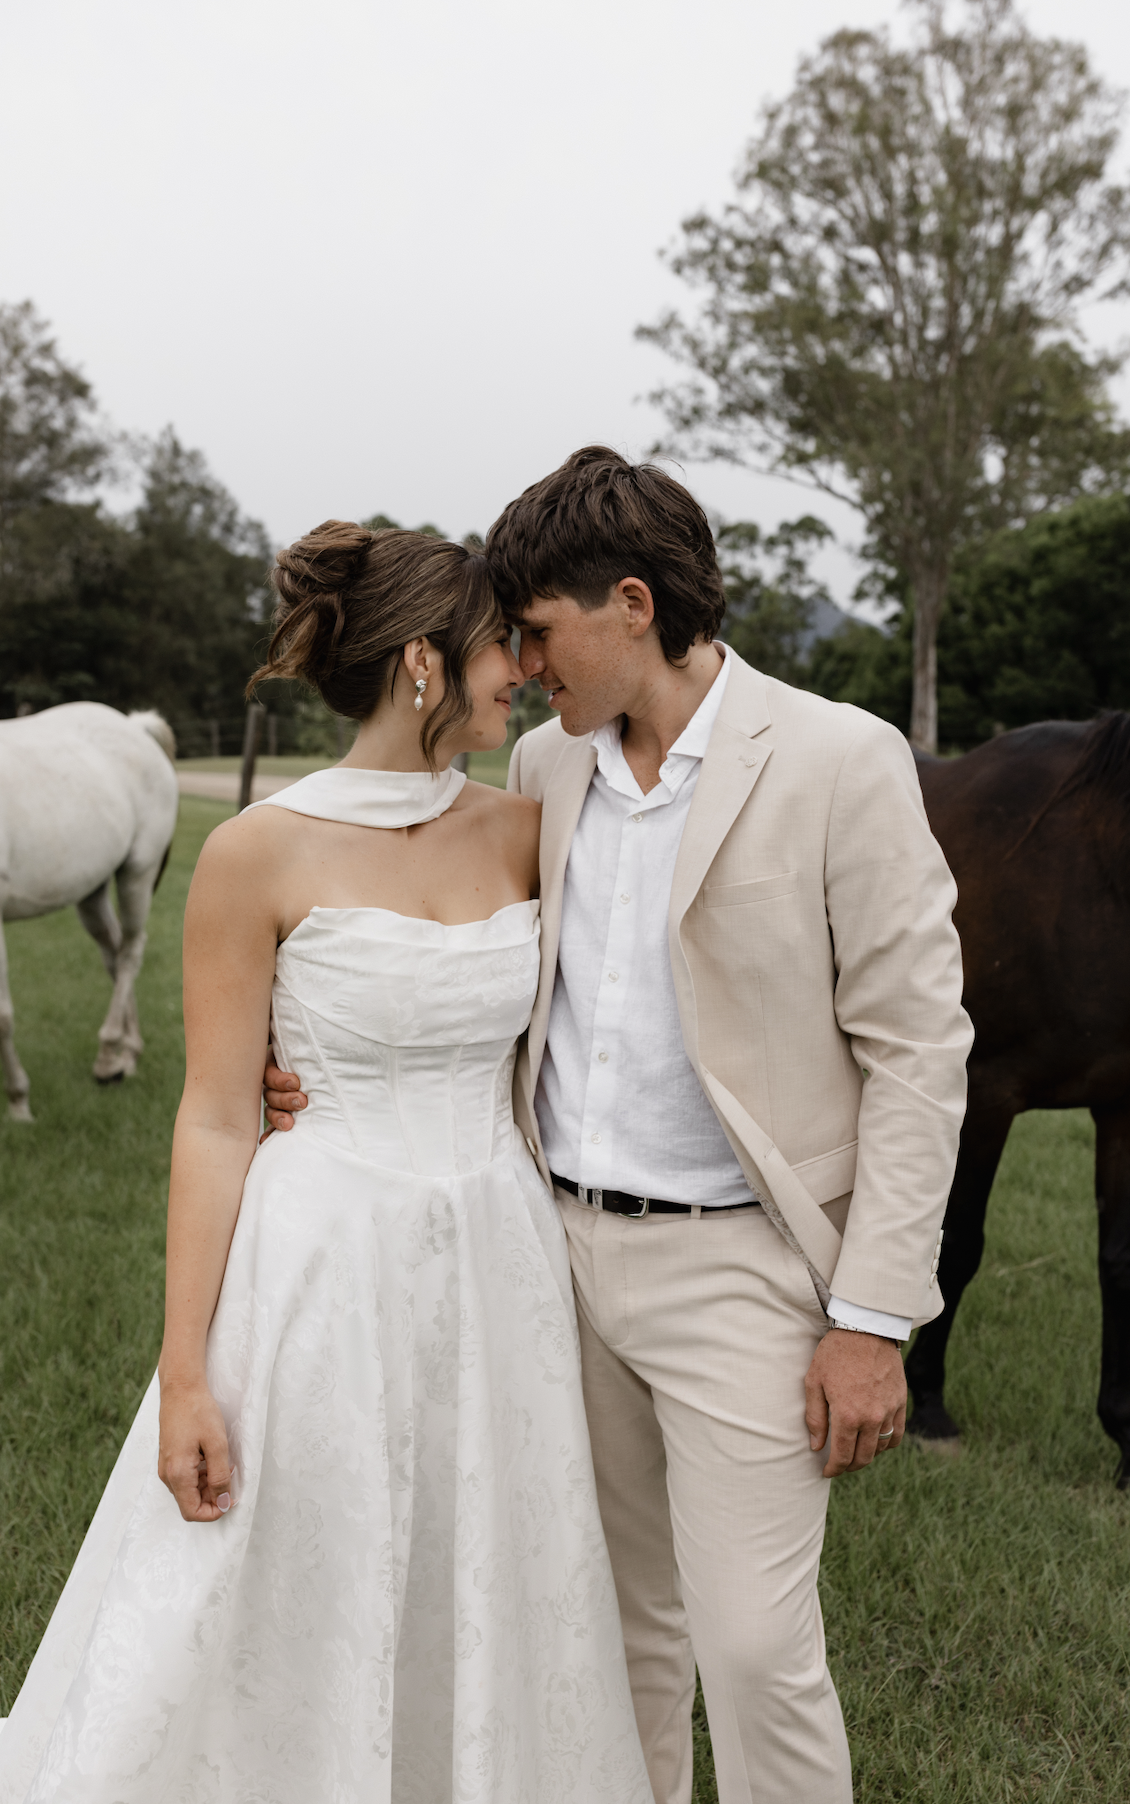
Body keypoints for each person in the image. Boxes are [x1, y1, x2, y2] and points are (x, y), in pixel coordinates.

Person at [266, 449, 973, 1804]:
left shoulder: (837, 758)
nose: (523, 668)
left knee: (757, 1650)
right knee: (607, 1640)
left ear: (632, 606)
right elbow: (460, 967)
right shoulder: (547, 764)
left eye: (537, 632)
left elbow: (917, 1050)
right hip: (551, 1259)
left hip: (744, 1274)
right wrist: (305, 1069)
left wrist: (874, 1319)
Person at [0, 522, 654, 1804]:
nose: (522, 668)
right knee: (310, 1560)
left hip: (499, 1253)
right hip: (323, 1256)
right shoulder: (254, 854)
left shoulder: (526, 823)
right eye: (499, 642)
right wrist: (183, 1371)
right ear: (421, 666)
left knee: (486, 1550)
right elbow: (218, 1116)